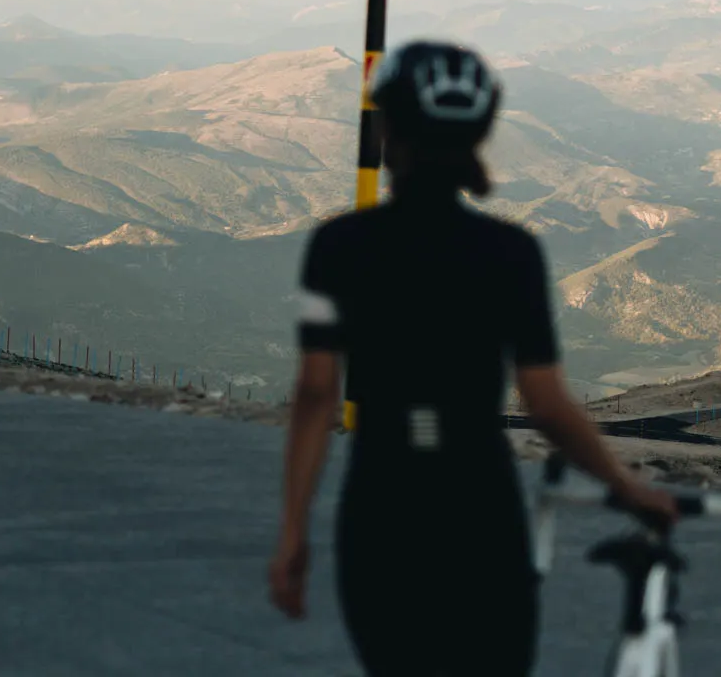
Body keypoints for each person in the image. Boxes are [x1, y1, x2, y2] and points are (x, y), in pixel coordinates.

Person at [266, 40, 678, 675]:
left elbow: (317, 395)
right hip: (479, 503)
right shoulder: (510, 252)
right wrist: (624, 487)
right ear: (479, 135)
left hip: (382, 502)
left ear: (388, 132)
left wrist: (293, 531)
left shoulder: (338, 246)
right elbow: (547, 406)